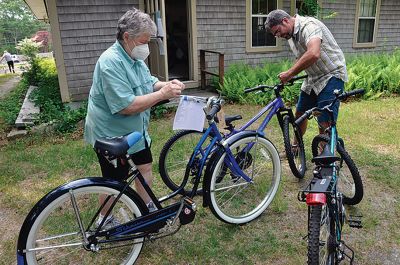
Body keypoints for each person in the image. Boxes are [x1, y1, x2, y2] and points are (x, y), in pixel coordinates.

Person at [84, 8, 185, 225]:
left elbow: (148, 81)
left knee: (145, 166)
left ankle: (145, 208)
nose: (146, 46)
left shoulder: (133, 56)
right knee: (114, 182)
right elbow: (126, 106)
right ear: (127, 37)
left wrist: (165, 85)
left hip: (135, 131)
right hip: (111, 133)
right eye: (144, 41)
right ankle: (105, 219)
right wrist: (161, 95)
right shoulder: (110, 62)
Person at [264, 9, 348, 136]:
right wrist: (292, 74)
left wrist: (290, 73)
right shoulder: (291, 35)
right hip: (313, 77)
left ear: (285, 21)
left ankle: (324, 154)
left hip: (331, 75)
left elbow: (313, 53)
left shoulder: (308, 25)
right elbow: (301, 57)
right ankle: (295, 148)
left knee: (324, 119)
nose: (278, 36)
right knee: (300, 114)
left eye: (277, 31)